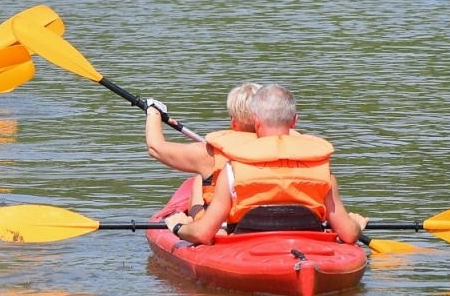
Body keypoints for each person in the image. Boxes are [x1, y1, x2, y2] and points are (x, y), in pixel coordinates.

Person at [165, 84, 366, 245]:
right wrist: (356, 225)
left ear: (256, 121)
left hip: (246, 246)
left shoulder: (233, 169)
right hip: (309, 244)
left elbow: (202, 234)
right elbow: (348, 234)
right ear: (294, 121)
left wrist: (178, 227)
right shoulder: (322, 168)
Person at [142, 82, 260, 218]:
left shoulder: (208, 155)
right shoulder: (282, 150)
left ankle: (194, 225)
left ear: (233, 122)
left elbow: (155, 148)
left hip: (223, 229)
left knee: (199, 179)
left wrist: (153, 111)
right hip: (268, 225)